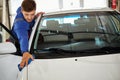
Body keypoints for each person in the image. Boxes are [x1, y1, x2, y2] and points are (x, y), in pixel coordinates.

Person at [12, 0, 43, 69]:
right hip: (16, 45)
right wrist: (25, 52)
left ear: (35, 10)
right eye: (26, 14)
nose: (29, 17)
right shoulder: (19, 24)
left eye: (32, 14)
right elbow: (23, 37)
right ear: (22, 11)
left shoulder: (22, 8)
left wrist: (35, 16)